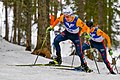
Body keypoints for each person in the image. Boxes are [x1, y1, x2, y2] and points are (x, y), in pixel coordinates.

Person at [46, 7, 92, 72]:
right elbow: (57, 20)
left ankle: (84, 65)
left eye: (68, 17)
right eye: (65, 16)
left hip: (75, 36)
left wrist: (87, 34)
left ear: (71, 15)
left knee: (79, 52)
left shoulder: (77, 21)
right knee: (56, 40)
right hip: (67, 33)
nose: (66, 18)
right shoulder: (63, 17)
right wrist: (52, 27)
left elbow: (86, 28)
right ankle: (58, 59)